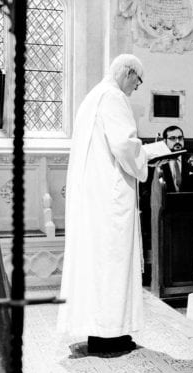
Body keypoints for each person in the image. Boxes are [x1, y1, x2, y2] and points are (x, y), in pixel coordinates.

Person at [57, 54, 148, 354]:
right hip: (110, 197)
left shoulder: (93, 96)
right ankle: (109, 335)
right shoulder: (114, 97)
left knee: (96, 264)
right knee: (111, 262)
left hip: (92, 196)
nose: (136, 87)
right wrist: (145, 156)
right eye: (138, 80)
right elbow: (124, 145)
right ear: (128, 72)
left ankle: (99, 330)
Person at [158, 125, 193, 193]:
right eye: (173, 138)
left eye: (180, 138)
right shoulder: (159, 163)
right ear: (165, 141)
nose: (177, 141)